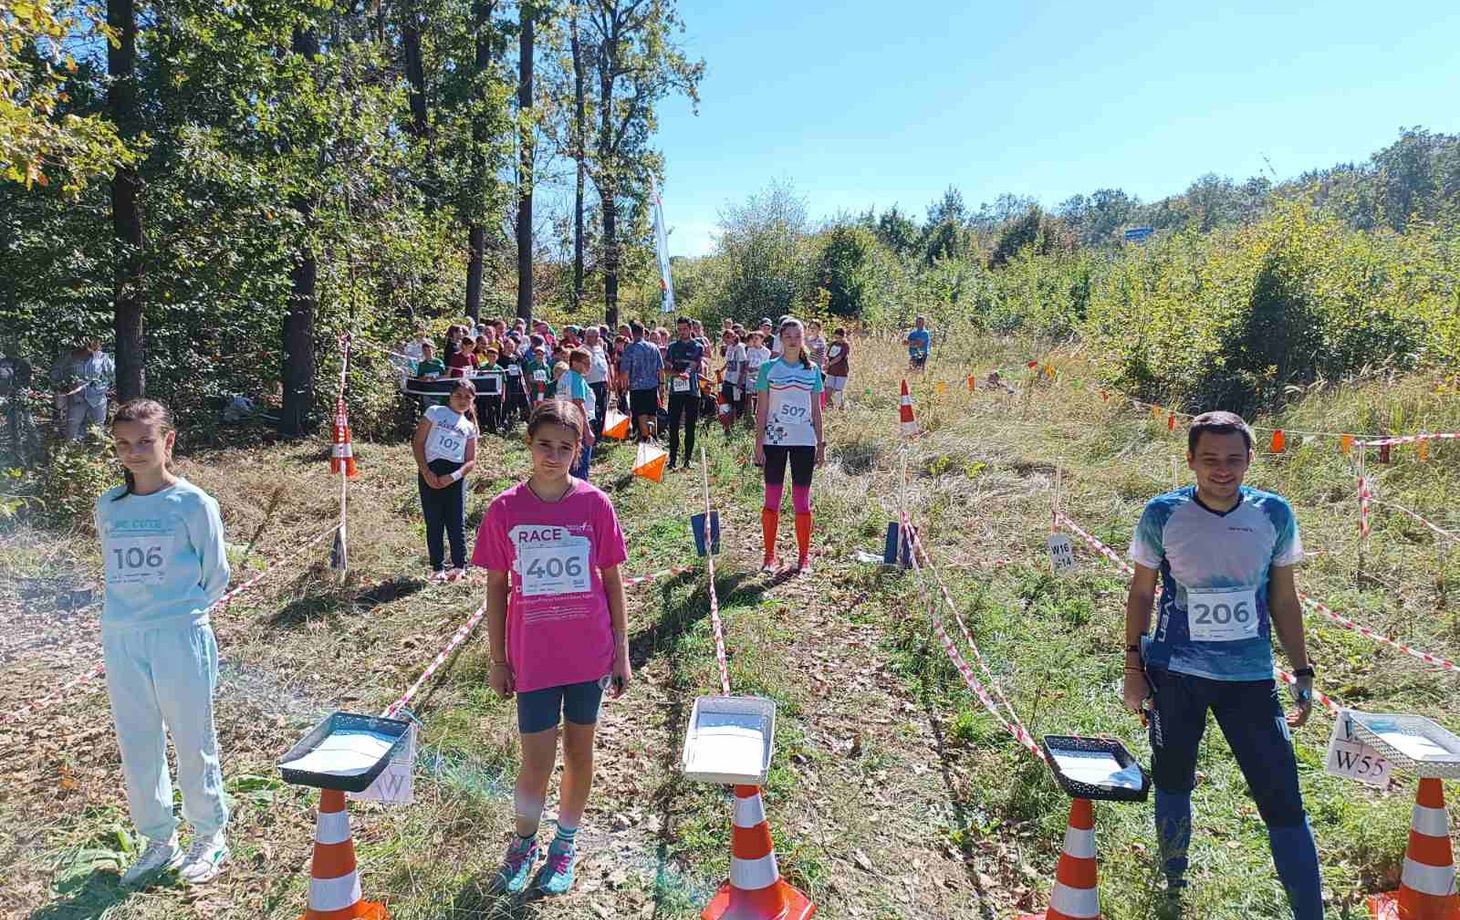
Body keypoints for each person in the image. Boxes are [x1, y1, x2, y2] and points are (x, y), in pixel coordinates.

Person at [1122, 411, 1321, 918]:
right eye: (1209, 458)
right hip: (1175, 676)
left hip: (1249, 679)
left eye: (1234, 458)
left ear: (1250, 459)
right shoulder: (1161, 514)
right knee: (1172, 781)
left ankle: (1309, 910)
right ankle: (1173, 887)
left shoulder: (1273, 514)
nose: (1222, 469)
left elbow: (1284, 600)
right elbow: (1142, 593)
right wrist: (1133, 667)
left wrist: (1302, 671)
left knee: (1281, 795)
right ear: (1190, 460)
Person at [474, 399, 630, 897]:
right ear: (529, 444)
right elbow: (496, 589)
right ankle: (524, 843)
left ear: (579, 451)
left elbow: (612, 581)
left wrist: (622, 651)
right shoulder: (504, 509)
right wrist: (498, 658)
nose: (553, 455)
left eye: (565, 447)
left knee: (580, 754)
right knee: (536, 759)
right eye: (545, 444)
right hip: (533, 658)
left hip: (588, 654)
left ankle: (565, 843)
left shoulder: (595, 505)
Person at [97, 399, 231, 886]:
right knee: (138, 742)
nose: (134, 452)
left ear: (167, 442)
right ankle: (157, 839)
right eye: (124, 444)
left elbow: (216, 575)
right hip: (122, 637)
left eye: (145, 442)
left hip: (180, 635)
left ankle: (209, 834)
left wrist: (180, 612)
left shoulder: (194, 503)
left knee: (192, 739)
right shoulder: (108, 505)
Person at [753, 319, 824, 575]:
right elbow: (761, 410)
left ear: (803, 339)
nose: (793, 339)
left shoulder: (813, 370)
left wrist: (821, 443)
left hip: (804, 442)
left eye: (798, 335)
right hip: (774, 442)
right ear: (781, 338)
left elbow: (817, 410)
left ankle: (803, 558)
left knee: (801, 503)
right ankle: (769, 556)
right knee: (771, 500)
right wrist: (758, 443)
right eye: (788, 335)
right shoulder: (768, 369)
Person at [413, 380, 478, 581]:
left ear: (473, 400)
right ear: (450, 396)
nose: (462, 400)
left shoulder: (469, 427)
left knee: (456, 521)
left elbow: (471, 461)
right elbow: (418, 442)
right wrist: (426, 471)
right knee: (434, 520)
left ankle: (460, 566)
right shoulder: (435, 412)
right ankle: (437, 568)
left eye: (467, 397)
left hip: (454, 476)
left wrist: (453, 477)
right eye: (458, 395)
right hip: (430, 470)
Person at [52, 337, 115, 441]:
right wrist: (65, 385)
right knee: (72, 429)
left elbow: (113, 374)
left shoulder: (103, 357)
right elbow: (54, 373)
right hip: (76, 398)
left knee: (97, 429)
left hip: (97, 399)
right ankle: (71, 452)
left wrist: (111, 388)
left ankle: (96, 454)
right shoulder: (69, 357)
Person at [664, 317, 704, 472]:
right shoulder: (672, 347)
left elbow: (694, 365)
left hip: (692, 391)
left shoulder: (697, 346)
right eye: (679, 329)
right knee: (673, 424)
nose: (682, 332)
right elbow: (666, 368)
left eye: (684, 329)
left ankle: (687, 459)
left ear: (690, 329)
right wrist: (676, 373)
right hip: (675, 391)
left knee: (690, 426)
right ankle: (672, 459)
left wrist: (686, 373)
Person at [620, 322, 663, 442]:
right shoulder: (654, 347)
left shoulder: (630, 349)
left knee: (641, 414)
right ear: (644, 332)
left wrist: (624, 386)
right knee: (652, 413)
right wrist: (662, 385)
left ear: (632, 333)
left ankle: (645, 438)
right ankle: (654, 437)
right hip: (652, 386)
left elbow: (625, 371)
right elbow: (660, 368)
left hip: (636, 387)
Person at [562, 349, 597, 480]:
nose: (589, 366)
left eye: (590, 363)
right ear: (575, 362)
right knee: (580, 465)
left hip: (565, 422)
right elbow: (579, 404)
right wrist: (587, 431)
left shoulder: (565, 376)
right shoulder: (577, 379)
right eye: (586, 363)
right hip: (578, 424)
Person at [582, 327, 610, 441]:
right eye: (595, 336)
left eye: (597, 336)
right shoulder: (582, 350)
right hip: (589, 383)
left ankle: (602, 431)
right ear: (587, 337)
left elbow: (604, 365)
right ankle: (593, 432)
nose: (597, 338)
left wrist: (608, 379)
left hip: (601, 382)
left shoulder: (599, 348)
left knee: (603, 407)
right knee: (592, 409)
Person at [719, 330, 745, 433]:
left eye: (728, 338)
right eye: (725, 338)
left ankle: (734, 426)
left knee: (736, 404)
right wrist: (721, 370)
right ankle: (727, 426)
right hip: (728, 379)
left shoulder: (740, 347)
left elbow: (743, 364)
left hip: (736, 381)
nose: (726, 341)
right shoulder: (729, 348)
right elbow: (728, 362)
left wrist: (740, 381)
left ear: (733, 337)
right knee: (726, 402)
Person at [742, 330, 771, 423]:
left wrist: (755, 369)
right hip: (750, 375)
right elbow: (746, 361)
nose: (754, 341)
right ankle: (748, 417)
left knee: (759, 397)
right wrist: (747, 368)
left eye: (756, 339)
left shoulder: (766, 352)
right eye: (753, 339)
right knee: (749, 396)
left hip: (760, 376)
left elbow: (765, 365)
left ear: (762, 339)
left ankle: (758, 416)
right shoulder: (750, 350)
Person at [825, 327, 851, 409]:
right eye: (836, 337)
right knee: (828, 391)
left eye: (840, 338)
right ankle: (830, 406)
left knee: (838, 392)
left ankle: (841, 409)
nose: (838, 339)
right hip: (831, 371)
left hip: (841, 372)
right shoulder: (833, 344)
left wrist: (830, 364)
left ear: (844, 336)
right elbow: (828, 355)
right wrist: (826, 363)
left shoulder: (845, 345)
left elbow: (839, 357)